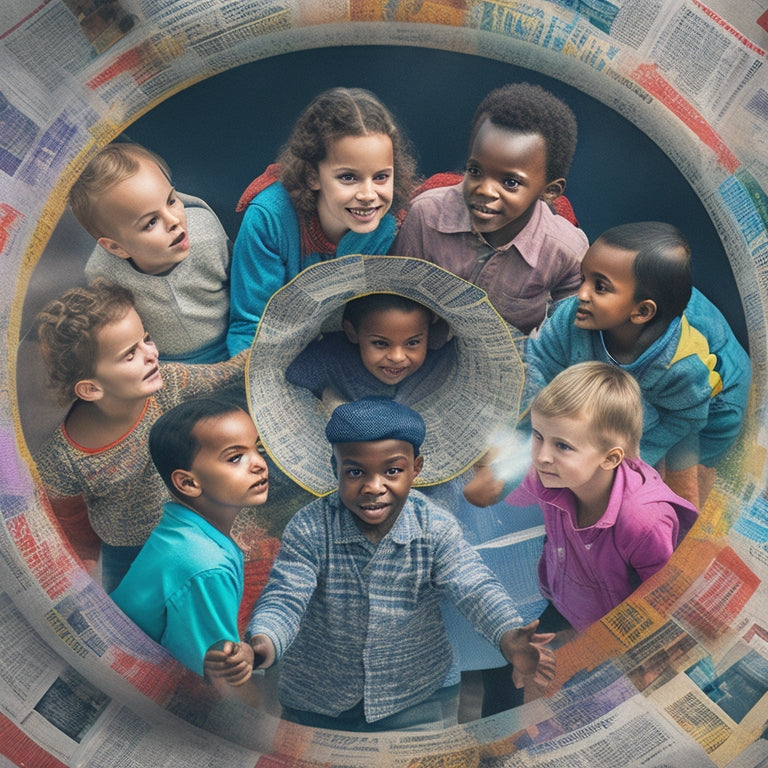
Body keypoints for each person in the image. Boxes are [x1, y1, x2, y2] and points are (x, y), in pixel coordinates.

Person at [206, 397, 555, 731]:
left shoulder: (434, 526)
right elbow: (285, 596)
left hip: (419, 699)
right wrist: (261, 645)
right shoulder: (310, 526)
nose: (374, 487)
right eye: (355, 472)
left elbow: (474, 585)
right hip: (316, 703)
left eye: (392, 470)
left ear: (415, 468)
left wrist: (509, 637)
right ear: (335, 470)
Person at [476, 362, 699, 715]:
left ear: (610, 458)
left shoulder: (643, 520)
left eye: (562, 445)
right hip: (564, 603)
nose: (543, 455)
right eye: (538, 436)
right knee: (507, 666)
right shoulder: (546, 474)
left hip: (616, 635)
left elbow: (662, 600)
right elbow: (502, 495)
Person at [33, 280, 247, 592]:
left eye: (146, 338)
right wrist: (86, 562)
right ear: (92, 388)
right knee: (137, 616)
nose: (151, 353)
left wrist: (271, 343)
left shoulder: (171, 382)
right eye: (130, 354)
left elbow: (226, 374)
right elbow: (72, 523)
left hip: (191, 524)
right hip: (128, 552)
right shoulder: (63, 458)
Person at [523, 221, 751, 507]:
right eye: (584, 278)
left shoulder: (681, 367)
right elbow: (538, 362)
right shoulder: (573, 316)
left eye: (600, 287)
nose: (581, 294)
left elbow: (685, 420)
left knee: (664, 482)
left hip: (715, 406)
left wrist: (633, 457)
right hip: (640, 371)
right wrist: (529, 430)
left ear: (642, 311)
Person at [226, 87, 418, 355]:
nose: (368, 195)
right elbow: (251, 325)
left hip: (337, 349)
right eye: (348, 177)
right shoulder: (268, 220)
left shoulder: (385, 227)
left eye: (381, 177)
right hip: (268, 348)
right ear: (313, 175)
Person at [391, 82, 588, 335]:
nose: (484, 190)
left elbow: (569, 337)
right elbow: (393, 296)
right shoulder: (426, 215)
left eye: (510, 182)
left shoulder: (566, 250)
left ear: (549, 191)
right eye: (475, 171)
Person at [110, 397, 267, 680]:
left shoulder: (177, 527)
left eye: (258, 448)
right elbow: (222, 676)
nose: (258, 464)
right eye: (235, 457)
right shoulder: (206, 567)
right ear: (188, 483)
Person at [70, 141, 232, 363]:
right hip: (165, 366)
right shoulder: (104, 274)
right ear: (116, 247)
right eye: (151, 222)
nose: (174, 220)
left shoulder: (206, 233)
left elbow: (246, 291)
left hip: (232, 344)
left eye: (172, 201)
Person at [284, 293, 456, 409]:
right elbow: (294, 372)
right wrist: (328, 393)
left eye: (413, 342)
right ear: (352, 333)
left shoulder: (439, 362)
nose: (397, 357)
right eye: (381, 343)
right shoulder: (333, 358)